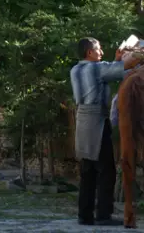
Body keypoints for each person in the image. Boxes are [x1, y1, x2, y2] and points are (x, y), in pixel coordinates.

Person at [70, 37, 139, 226]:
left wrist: (116, 60)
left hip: (83, 120)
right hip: (97, 121)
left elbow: (110, 71)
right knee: (106, 169)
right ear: (89, 52)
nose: (101, 52)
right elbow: (124, 67)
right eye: (99, 49)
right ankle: (103, 215)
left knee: (88, 170)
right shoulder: (97, 69)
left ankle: (84, 216)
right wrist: (134, 53)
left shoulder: (76, 69)